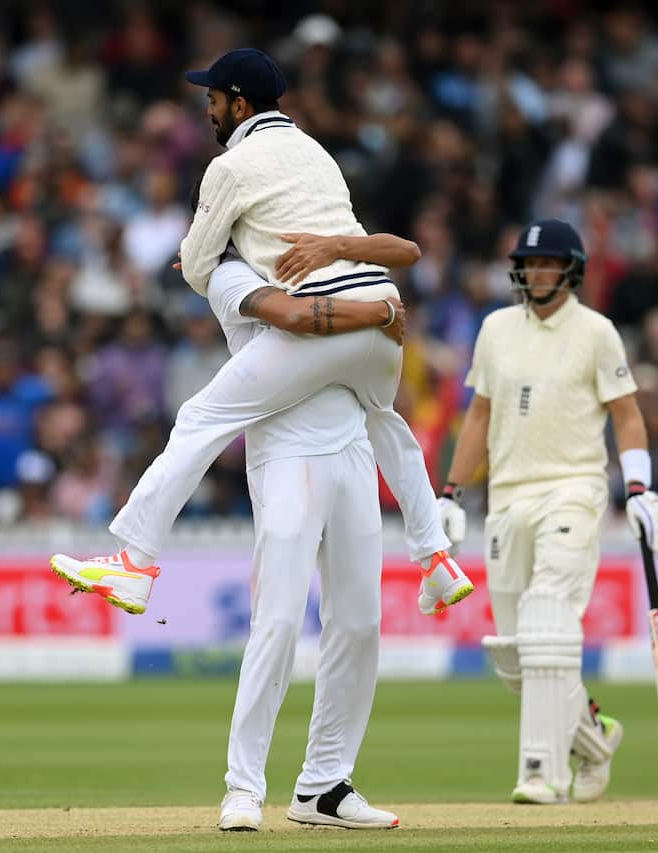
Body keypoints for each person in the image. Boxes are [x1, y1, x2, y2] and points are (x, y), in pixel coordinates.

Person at [50, 48, 473, 620]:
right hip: (383, 311)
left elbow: (198, 266)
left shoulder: (230, 167)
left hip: (322, 322)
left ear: (239, 103)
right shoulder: (316, 153)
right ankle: (437, 559)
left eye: (213, 100)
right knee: (386, 422)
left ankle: (134, 562)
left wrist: (213, 256)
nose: (208, 111)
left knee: (202, 419)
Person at [436, 219, 658, 804]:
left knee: (547, 615)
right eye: (530, 264)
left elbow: (627, 415)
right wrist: (448, 493)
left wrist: (639, 488)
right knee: (517, 657)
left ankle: (543, 774)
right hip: (508, 498)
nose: (538, 273)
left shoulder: (597, 333)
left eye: (549, 264)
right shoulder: (494, 329)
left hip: (574, 488)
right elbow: (478, 417)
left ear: (571, 270)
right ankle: (595, 738)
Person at [206, 255, 404, 831]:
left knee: (361, 621)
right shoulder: (229, 273)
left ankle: (324, 786)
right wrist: (380, 310)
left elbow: (401, 256)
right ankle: (243, 787)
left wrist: (342, 262)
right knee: (280, 619)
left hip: (352, 445)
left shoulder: (327, 255)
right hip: (285, 448)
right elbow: (293, 317)